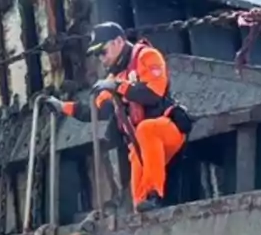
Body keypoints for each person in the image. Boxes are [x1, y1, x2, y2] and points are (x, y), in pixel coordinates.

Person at [45, 21, 193, 212]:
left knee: (147, 129)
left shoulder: (147, 56)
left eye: (103, 51)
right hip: (141, 146)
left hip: (167, 131)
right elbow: (95, 110)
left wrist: (119, 87)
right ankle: (146, 211)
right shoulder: (113, 77)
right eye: (97, 55)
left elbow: (153, 93)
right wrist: (61, 107)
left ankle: (155, 194)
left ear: (118, 42)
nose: (101, 58)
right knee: (138, 199)